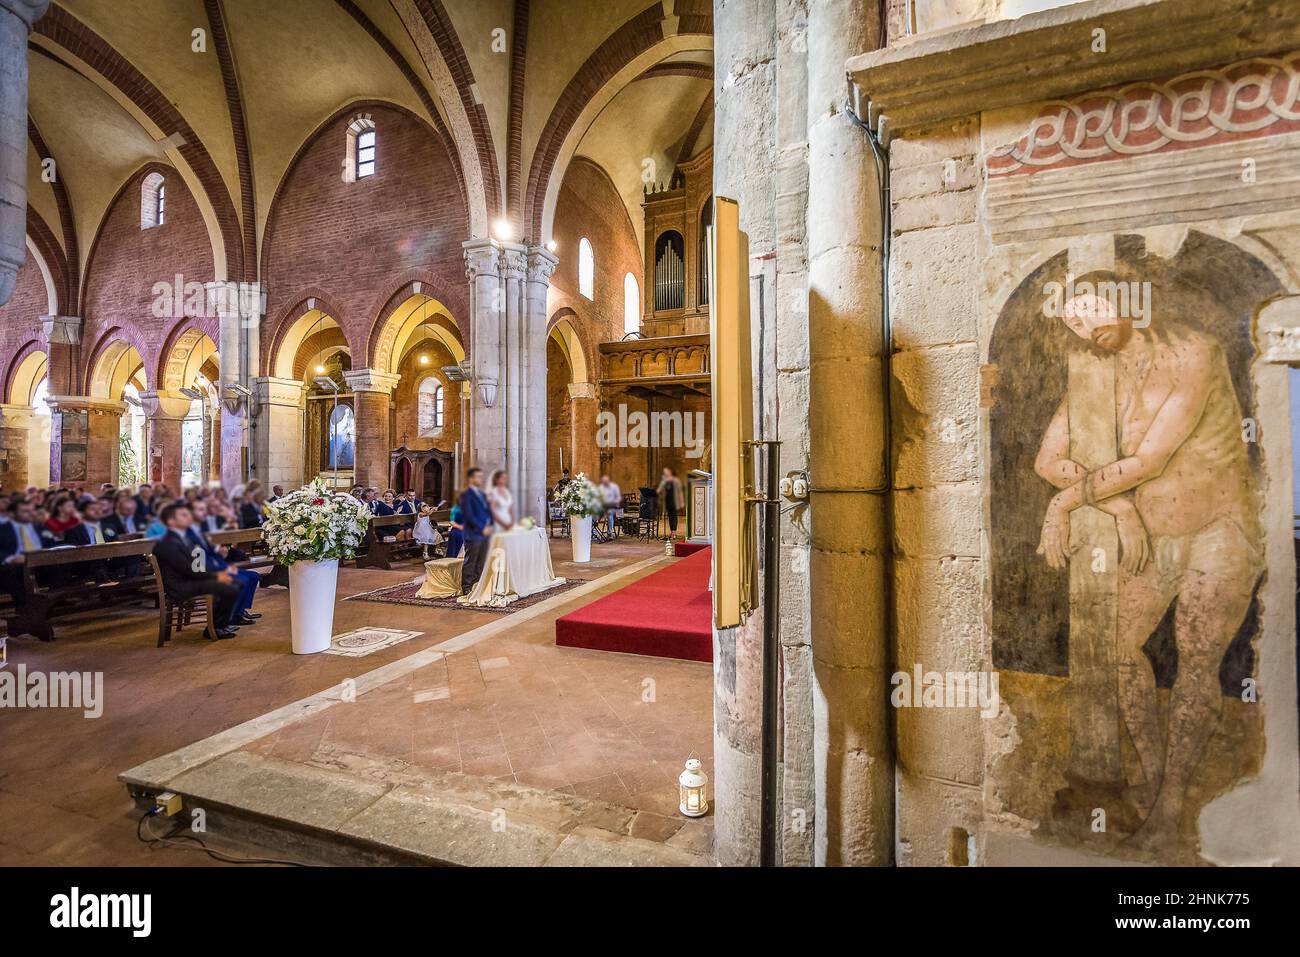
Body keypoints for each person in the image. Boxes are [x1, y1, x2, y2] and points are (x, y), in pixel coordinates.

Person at [1033, 285, 1265, 850]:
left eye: (1092, 310)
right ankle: (1155, 783)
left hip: (1220, 527)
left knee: (1196, 657)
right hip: (1155, 532)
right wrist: (1117, 508)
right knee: (1117, 648)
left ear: (1128, 299)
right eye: (1074, 321)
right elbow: (1047, 458)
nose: (1085, 327)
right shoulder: (1094, 372)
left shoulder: (1194, 352)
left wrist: (1067, 501)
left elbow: (1151, 459)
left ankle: (1169, 811)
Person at [152, 503, 242, 641]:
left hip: (191, 579)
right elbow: (188, 569)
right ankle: (215, 628)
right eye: (183, 515)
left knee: (236, 582)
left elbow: (197, 563)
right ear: (171, 521)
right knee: (230, 587)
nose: (188, 517)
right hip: (179, 585)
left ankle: (221, 624)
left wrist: (216, 573)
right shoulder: (167, 542)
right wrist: (216, 576)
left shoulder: (184, 538)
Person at [188, 500, 260, 628]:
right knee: (240, 580)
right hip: (204, 570)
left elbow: (206, 548)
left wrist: (218, 551)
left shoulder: (199, 528)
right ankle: (224, 621)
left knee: (253, 576)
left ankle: (238, 613)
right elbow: (195, 557)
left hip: (214, 564)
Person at [0, 499, 56, 604]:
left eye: (32, 511)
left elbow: (52, 545)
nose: (30, 514)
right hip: (16, 566)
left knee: (62, 565)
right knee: (13, 571)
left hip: (41, 563)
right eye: (25, 511)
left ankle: (54, 600)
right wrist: (12, 559)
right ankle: (25, 607)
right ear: (12, 514)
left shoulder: (41, 527)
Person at [458, 467, 493, 594]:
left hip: (485, 534)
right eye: (478, 477)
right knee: (471, 560)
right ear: (471, 478)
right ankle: (466, 586)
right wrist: (482, 528)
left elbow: (488, 512)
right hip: (473, 533)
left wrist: (491, 525)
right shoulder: (466, 495)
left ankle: (477, 583)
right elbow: (469, 515)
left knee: (481, 560)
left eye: (481, 476)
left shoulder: (482, 494)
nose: (480, 479)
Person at [656, 466, 683, 539]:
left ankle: (673, 533)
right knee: (670, 517)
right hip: (668, 501)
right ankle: (672, 532)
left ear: (670, 472)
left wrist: (681, 502)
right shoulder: (665, 481)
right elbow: (659, 490)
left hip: (675, 501)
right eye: (664, 472)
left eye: (666, 471)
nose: (665, 473)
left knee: (674, 516)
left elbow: (680, 491)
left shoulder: (676, 480)